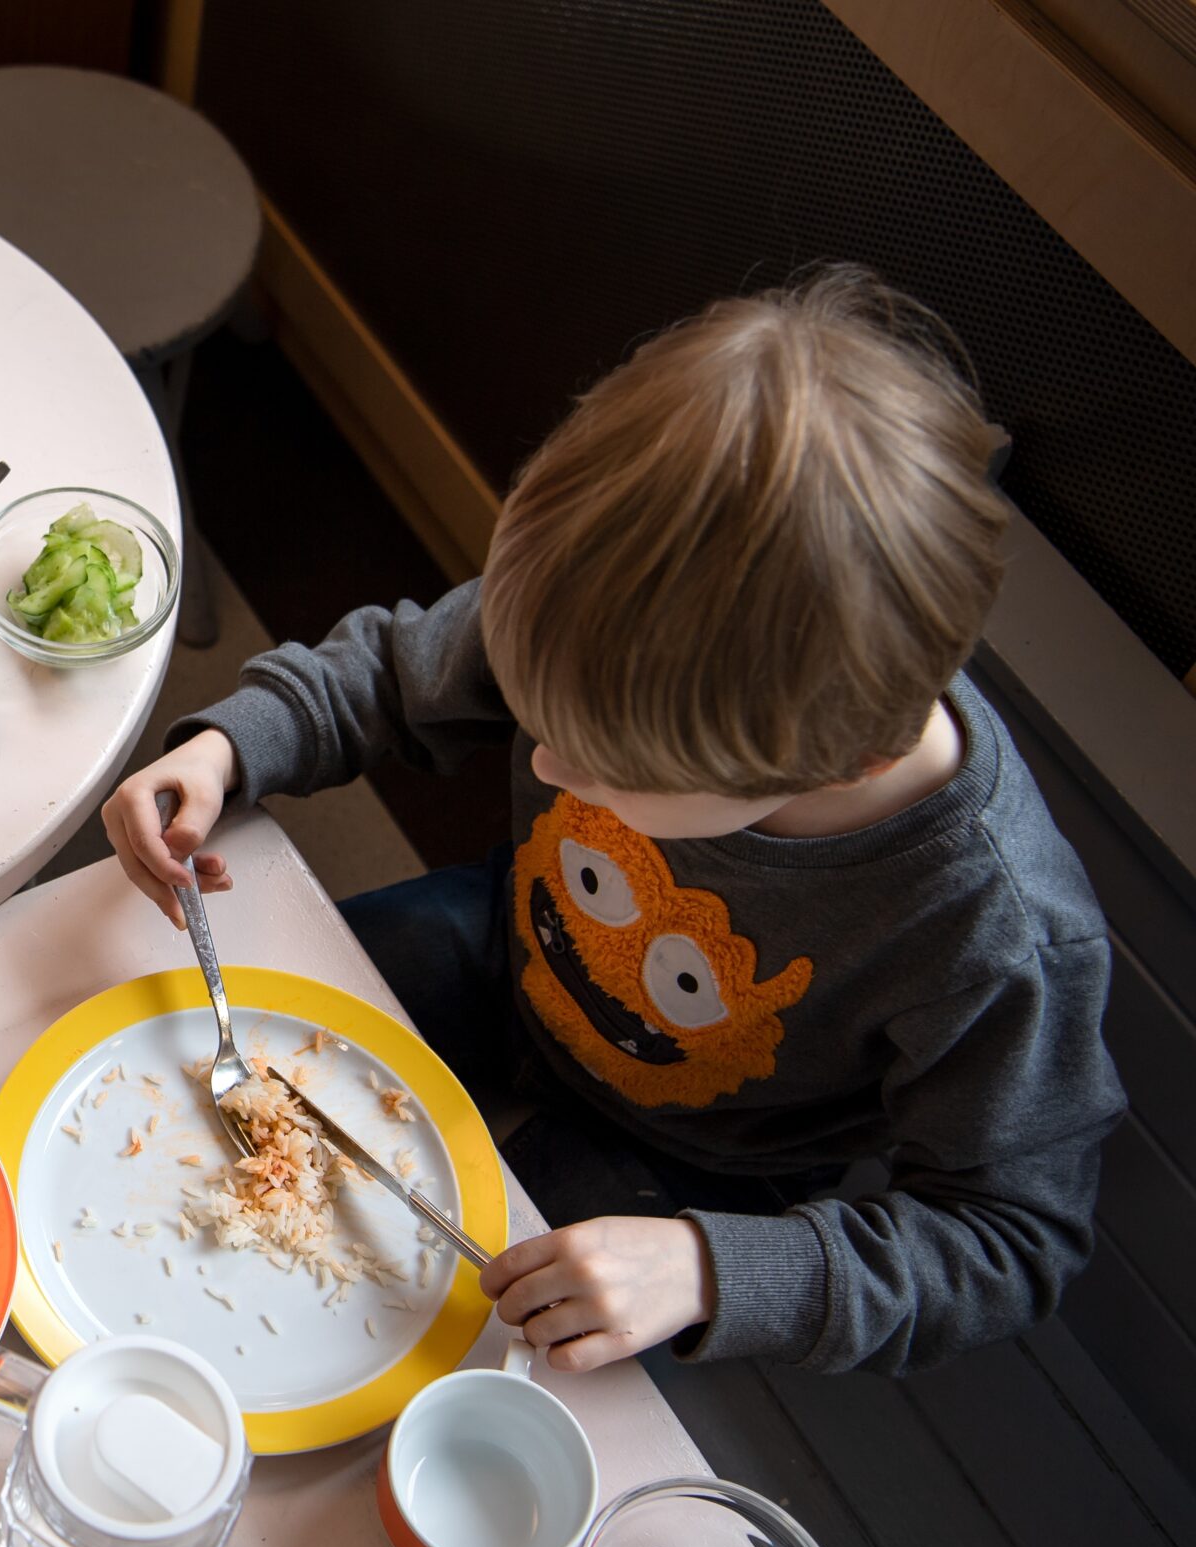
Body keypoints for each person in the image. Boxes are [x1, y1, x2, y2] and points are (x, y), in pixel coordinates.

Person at [104, 266, 1124, 1378]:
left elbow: (1011, 1239)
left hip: (708, 1165)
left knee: (467, 1349)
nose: (540, 762)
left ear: (842, 763)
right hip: (514, 947)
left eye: (603, 767)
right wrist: (231, 746)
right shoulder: (614, 611)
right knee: (218, 1058)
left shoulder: (991, 937)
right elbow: (396, 673)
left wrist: (707, 1269)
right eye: (541, 721)